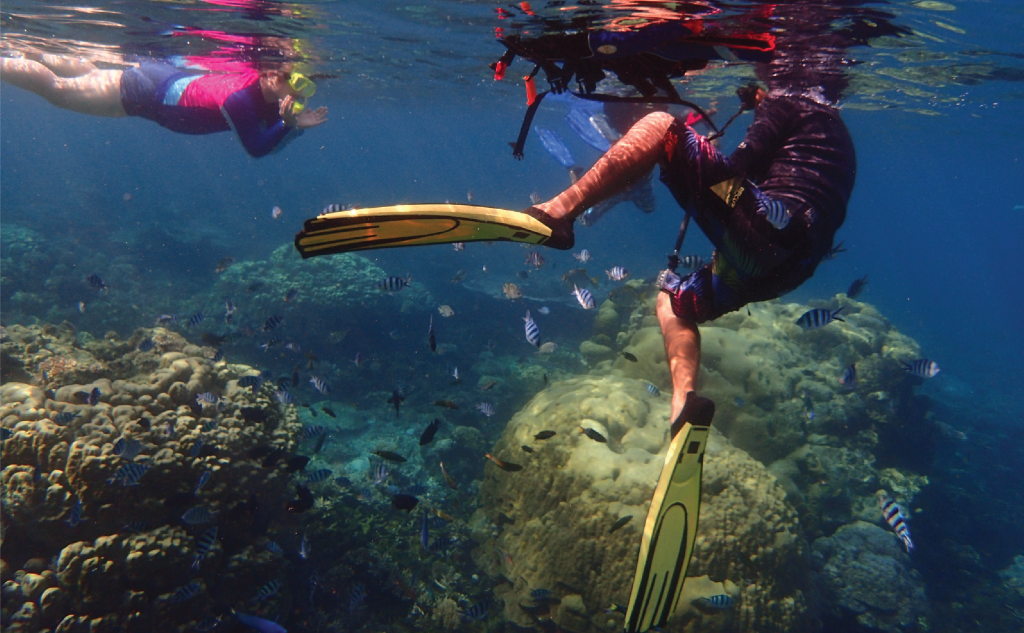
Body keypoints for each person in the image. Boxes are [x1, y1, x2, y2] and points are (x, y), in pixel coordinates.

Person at [525, 79, 855, 431]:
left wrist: (695, 159)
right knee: (672, 300)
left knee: (662, 127)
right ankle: (684, 404)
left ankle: (558, 214)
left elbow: (741, 164)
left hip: (765, 231)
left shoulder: (788, 100)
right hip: (789, 269)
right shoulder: (836, 135)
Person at [0, 54, 327, 157]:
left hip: (162, 81)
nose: (301, 93)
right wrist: (289, 126)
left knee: (94, 75)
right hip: (148, 94)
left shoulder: (270, 99)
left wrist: (292, 128)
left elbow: (272, 140)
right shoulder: (239, 98)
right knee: (58, 92)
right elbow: (256, 148)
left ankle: (30, 51)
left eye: (308, 86)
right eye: (298, 82)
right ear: (272, 75)